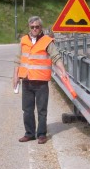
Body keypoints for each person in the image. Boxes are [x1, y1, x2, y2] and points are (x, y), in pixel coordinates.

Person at [13, 16, 66, 144]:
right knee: (27, 110)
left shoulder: (47, 41)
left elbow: (56, 57)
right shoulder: (24, 40)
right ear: (29, 27)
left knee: (42, 110)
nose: (34, 29)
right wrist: (15, 76)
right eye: (32, 27)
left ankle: (41, 134)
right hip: (27, 80)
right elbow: (18, 59)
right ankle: (29, 134)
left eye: (37, 27)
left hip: (41, 82)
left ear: (41, 27)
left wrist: (63, 71)